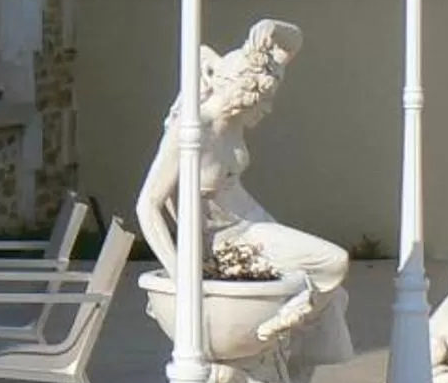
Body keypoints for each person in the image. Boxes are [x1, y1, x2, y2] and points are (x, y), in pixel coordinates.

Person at [133, 19, 354, 364]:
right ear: (242, 94)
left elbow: (292, 43)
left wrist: (271, 26)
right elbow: (148, 205)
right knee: (333, 262)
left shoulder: (233, 118)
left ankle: (290, 358)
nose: (268, 110)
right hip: (230, 240)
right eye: (264, 102)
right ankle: (286, 321)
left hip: (254, 223)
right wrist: (181, 274)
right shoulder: (191, 131)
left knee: (333, 295)